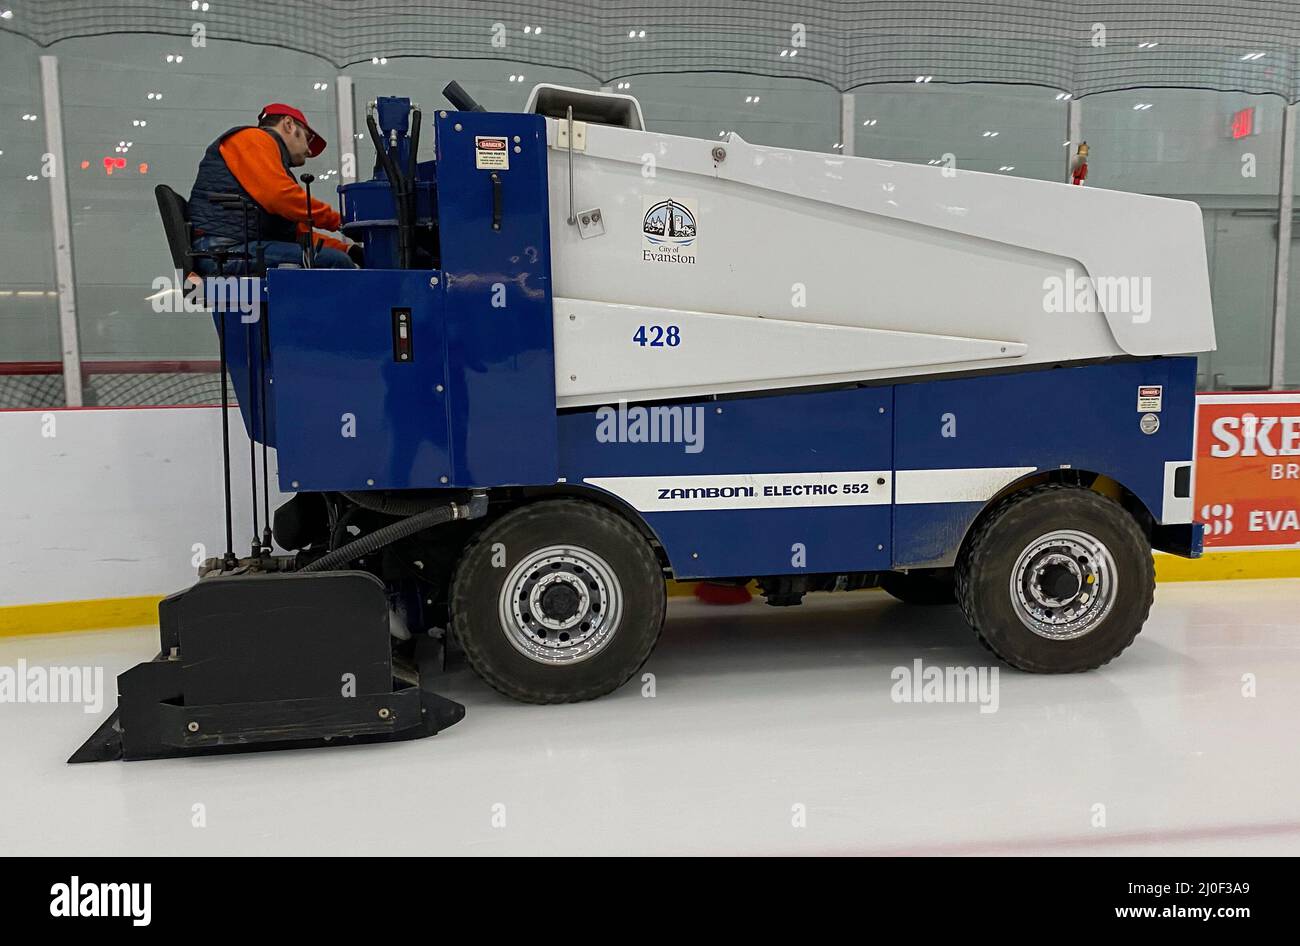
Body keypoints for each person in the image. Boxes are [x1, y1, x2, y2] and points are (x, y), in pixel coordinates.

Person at [188, 103, 358, 273]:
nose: (308, 151)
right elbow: (280, 196)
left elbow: (299, 234)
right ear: (288, 124)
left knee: (338, 258)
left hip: (233, 249)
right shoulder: (253, 139)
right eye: (308, 139)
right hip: (226, 252)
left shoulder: (268, 160)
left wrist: (347, 250)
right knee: (336, 264)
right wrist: (342, 222)